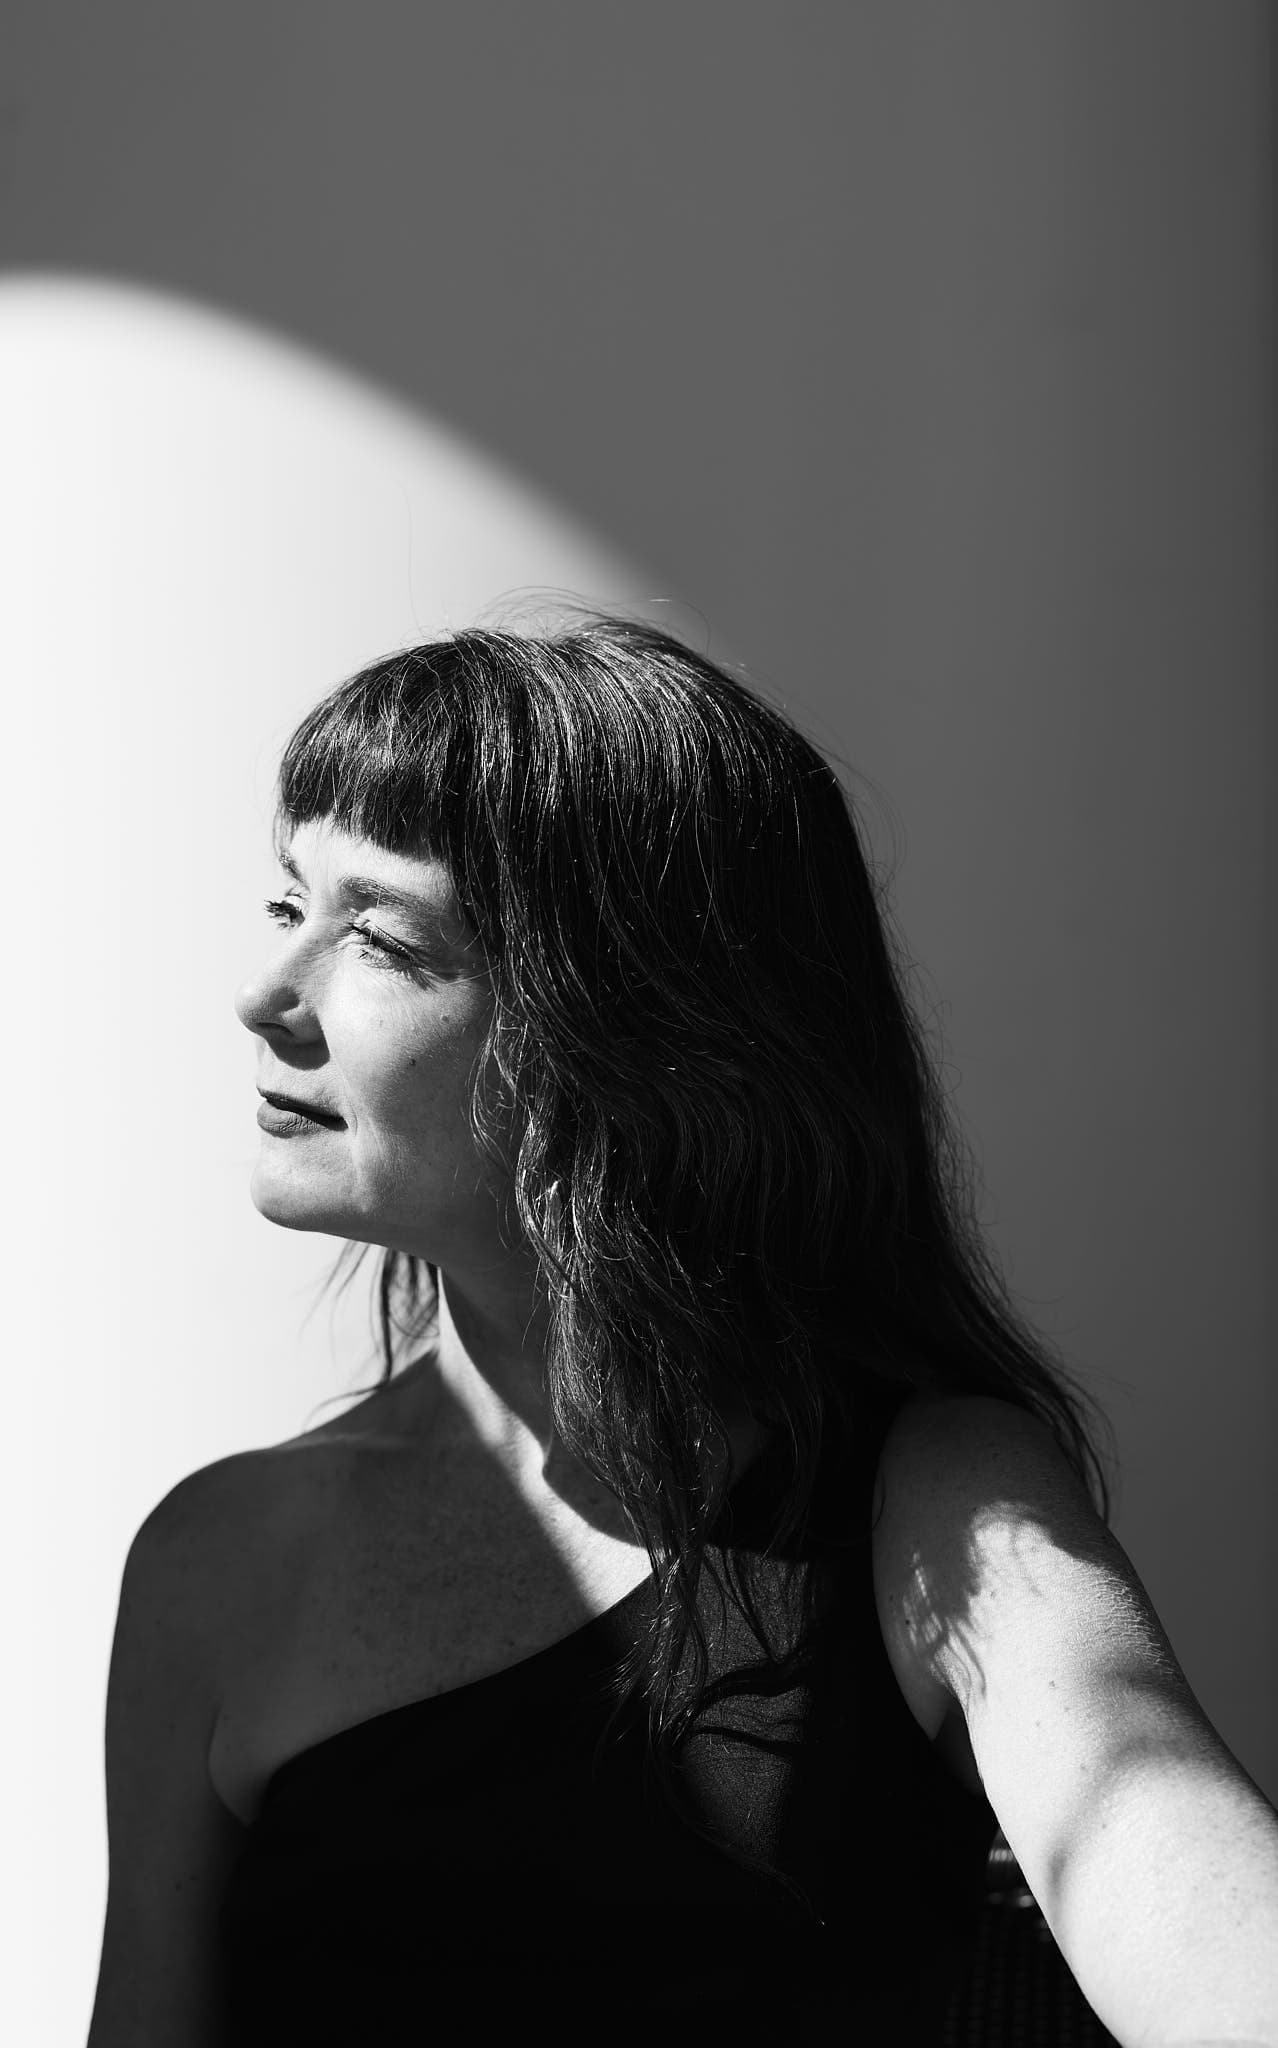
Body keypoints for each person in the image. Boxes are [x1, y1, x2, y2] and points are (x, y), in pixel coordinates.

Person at [87, 615, 1278, 2047]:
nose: (268, 995)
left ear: (631, 1030)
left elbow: (1186, 1898)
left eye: (384, 937)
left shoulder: (935, 1496)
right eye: (290, 905)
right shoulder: (215, 1564)